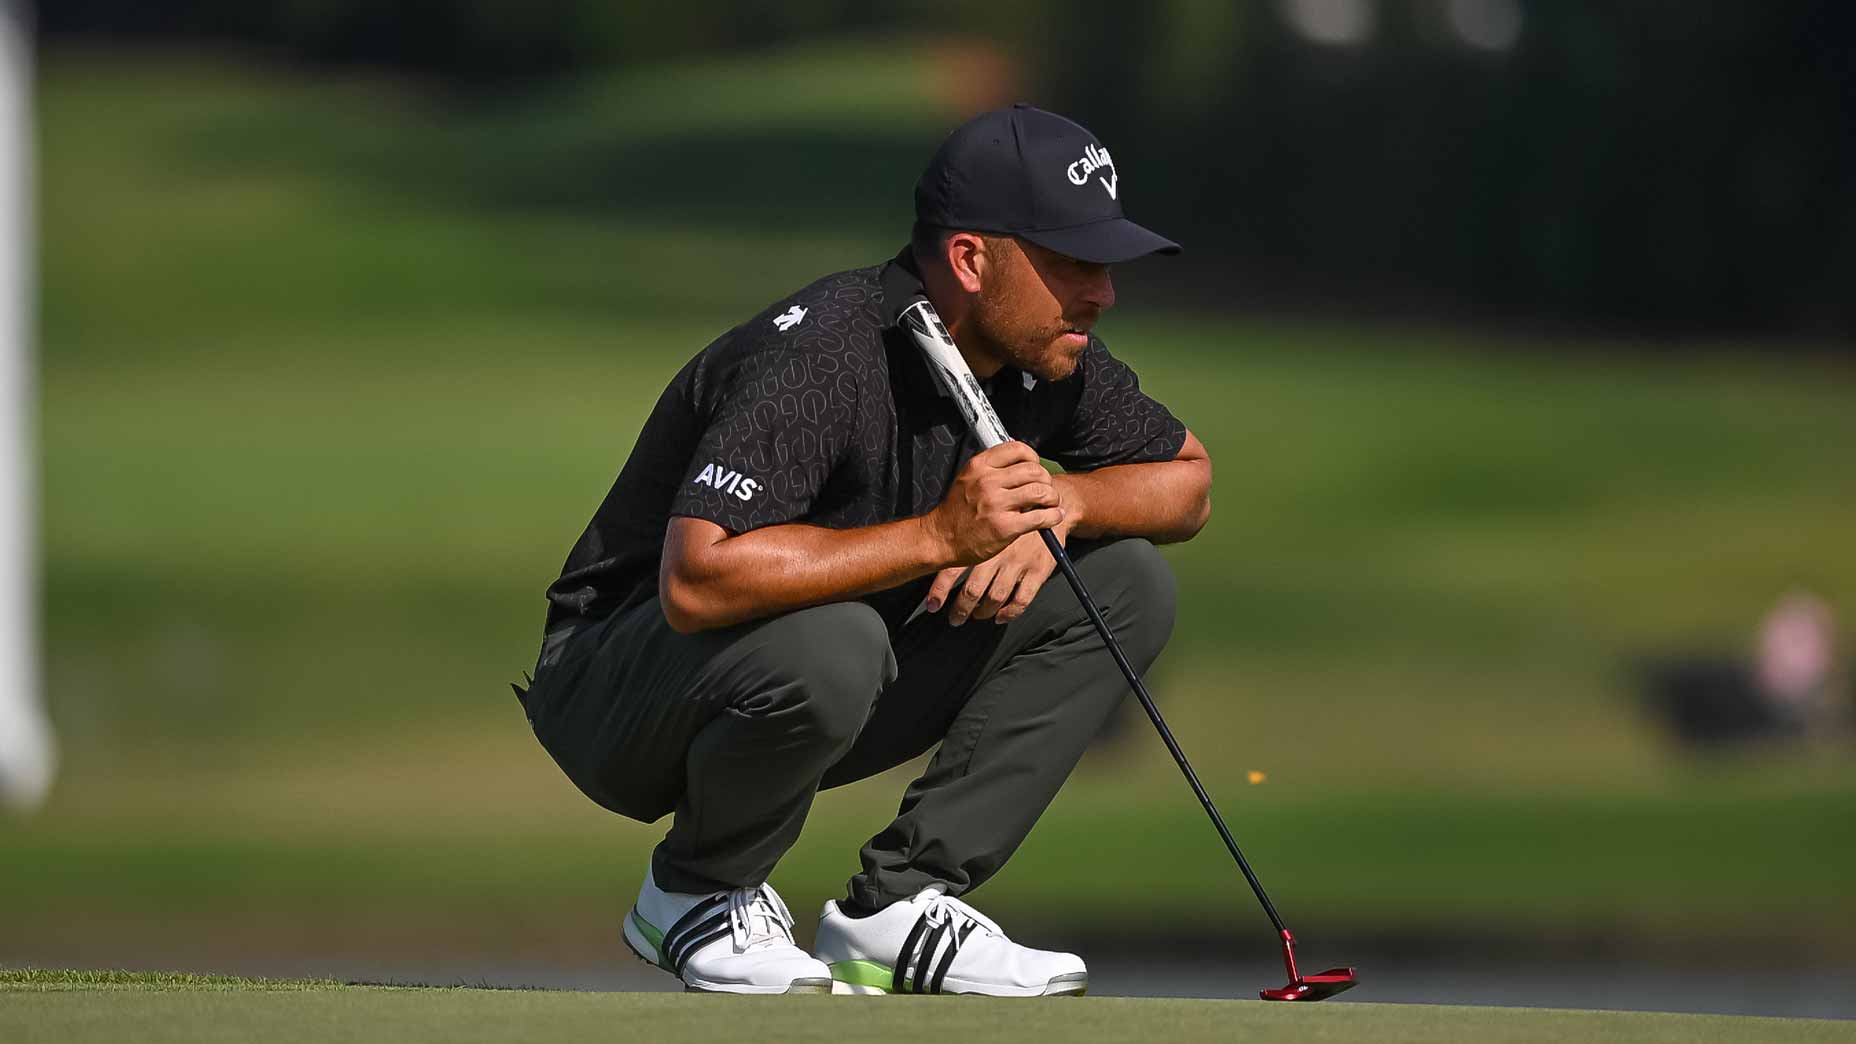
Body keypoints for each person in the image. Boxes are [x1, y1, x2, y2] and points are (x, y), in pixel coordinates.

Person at [517, 104, 1211, 996]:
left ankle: (901, 905)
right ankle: (694, 892)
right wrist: (939, 537)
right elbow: (697, 579)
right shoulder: (826, 348)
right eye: (1076, 263)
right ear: (971, 257)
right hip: (615, 690)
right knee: (836, 639)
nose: (1103, 293)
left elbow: (1185, 482)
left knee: (1124, 581)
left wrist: (1065, 504)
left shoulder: (1045, 356)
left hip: (824, 674)